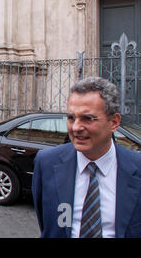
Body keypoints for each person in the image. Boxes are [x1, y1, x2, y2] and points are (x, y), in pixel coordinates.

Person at [32, 77, 141, 238]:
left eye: (87, 118)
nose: (76, 128)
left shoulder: (137, 168)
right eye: (71, 118)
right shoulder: (46, 162)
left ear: (114, 122)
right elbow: (49, 225)